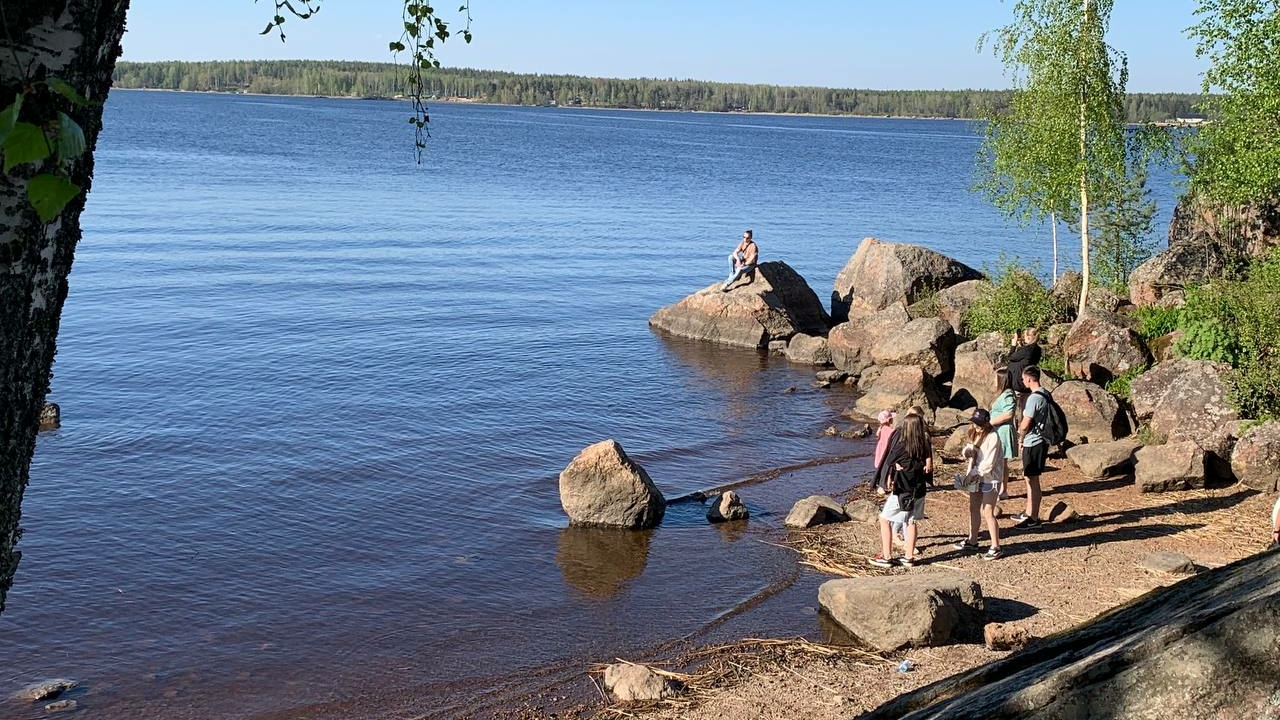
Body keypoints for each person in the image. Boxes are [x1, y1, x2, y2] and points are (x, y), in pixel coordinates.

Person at [869, 413, 931, 568]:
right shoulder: (923, 444)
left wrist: (896, 467)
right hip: (919, 489)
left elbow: (889, 460)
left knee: (884, 519)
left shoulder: (902, 445)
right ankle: (908, 557)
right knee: (912, 521)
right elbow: (927, 464)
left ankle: (887, 556)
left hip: (903, 489)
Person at [955, 409, 1006, 560]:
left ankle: (995, 546)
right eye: (974, 423)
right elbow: (970, 447)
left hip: (990, 478)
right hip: (975, 475)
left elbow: (989, 463)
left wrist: (973, 473)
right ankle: (972, 540)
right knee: (973, 508)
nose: (976, 426)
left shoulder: (993, 437)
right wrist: (967, 452)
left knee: (988, 511)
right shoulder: (975, 432)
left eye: (979, 424)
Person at [1014, 365, 1048, 527]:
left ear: (1028, 378)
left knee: (1031, 478)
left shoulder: (1034, 398)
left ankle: (1033, 517)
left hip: (1033, 441)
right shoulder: (1045, 394)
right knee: (1031, 478)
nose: (1022, 381)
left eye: (1023, 378)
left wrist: (1020, 437)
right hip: (1040, 441)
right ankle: (1029, 512)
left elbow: (1025, 424)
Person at [990, 367, 1017, 500]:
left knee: (1000, 462)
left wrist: (990, 422)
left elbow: (1009, 414)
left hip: (1003, 431)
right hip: (998, 430)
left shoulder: (1007, 395)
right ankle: (999, 488)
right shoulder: (1002, 394)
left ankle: (1002, 489)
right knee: (998, 462)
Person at [1007, 327, 1042, 423]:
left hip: (1018, 382)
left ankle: (1017, 428)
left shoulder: (1027, 350)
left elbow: (1011, 357)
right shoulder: (1037, 349)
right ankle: (1025, 427)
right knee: (1024, 408)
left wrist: (1013, 345)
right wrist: (1021, 345)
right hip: (1027, 380)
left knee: (1013, 407)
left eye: (1025, 335)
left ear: (1029, 337)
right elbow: (1024, 357)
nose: (1023, 337)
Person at [872, 410, 896, 496]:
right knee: (887, 468)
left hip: (881, 450)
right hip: (886, 452)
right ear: (889, 420)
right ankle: (883, 486)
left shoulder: (881, 428)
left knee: (883, 468)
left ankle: (886, 484)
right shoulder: (889, 430)